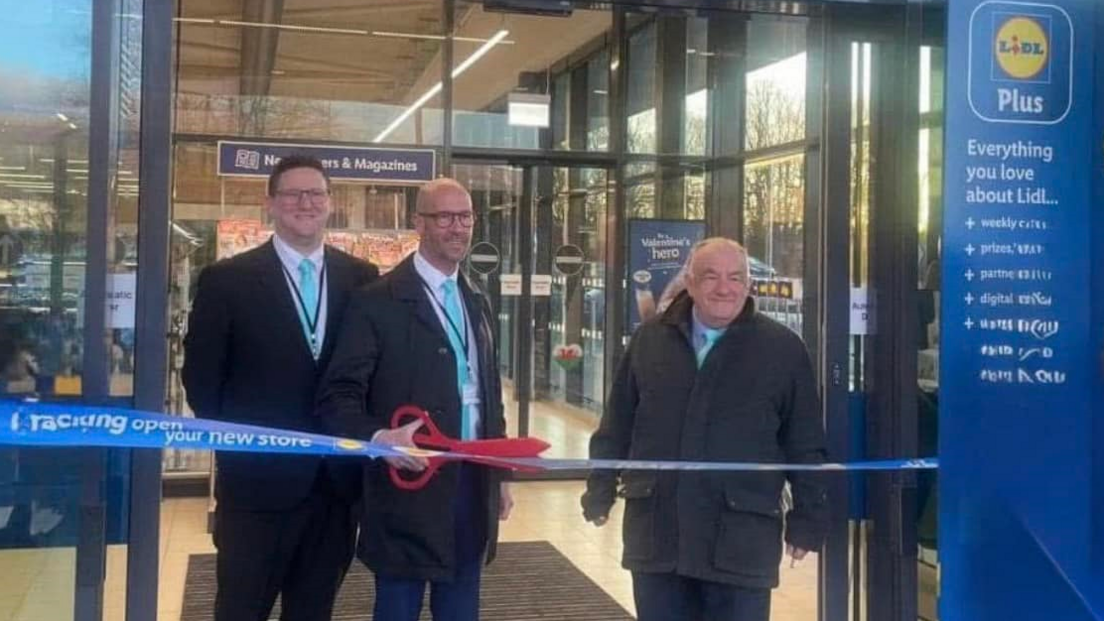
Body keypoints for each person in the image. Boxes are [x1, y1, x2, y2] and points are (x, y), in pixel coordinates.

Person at [581, 237, 828, 621]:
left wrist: (808, 519)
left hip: (741, 540)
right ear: (690, 283)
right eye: (710, 277)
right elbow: (617, 424)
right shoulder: (650, 341)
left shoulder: (783, 350)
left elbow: (806, 442)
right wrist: (600, 488)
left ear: (749, 285)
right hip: (660, 538)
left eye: (735, 277)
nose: (724, 288)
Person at [182, 154, 379, 621]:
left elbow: (371, 376)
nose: (304, 203)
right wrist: (244, 446)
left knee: (314, 610)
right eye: (292, 193)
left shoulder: (363, 279)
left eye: (315, 193)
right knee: (240, 609)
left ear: (331, 203)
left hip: (334, 489)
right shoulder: (226, 280)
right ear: (270, 203)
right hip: (255, 488)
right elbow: (201, 381)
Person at [317, 177, 512, 621]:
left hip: (470, 482)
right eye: (444, 217)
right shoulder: (377, 302)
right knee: (398, 607)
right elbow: (338, 395)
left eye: (465, 217)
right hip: (407, 486)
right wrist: (380, 435)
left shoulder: (475, 297)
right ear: (417, 223)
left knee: (462, 605)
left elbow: (487, 394)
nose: (457, 227)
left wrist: (498, 476)